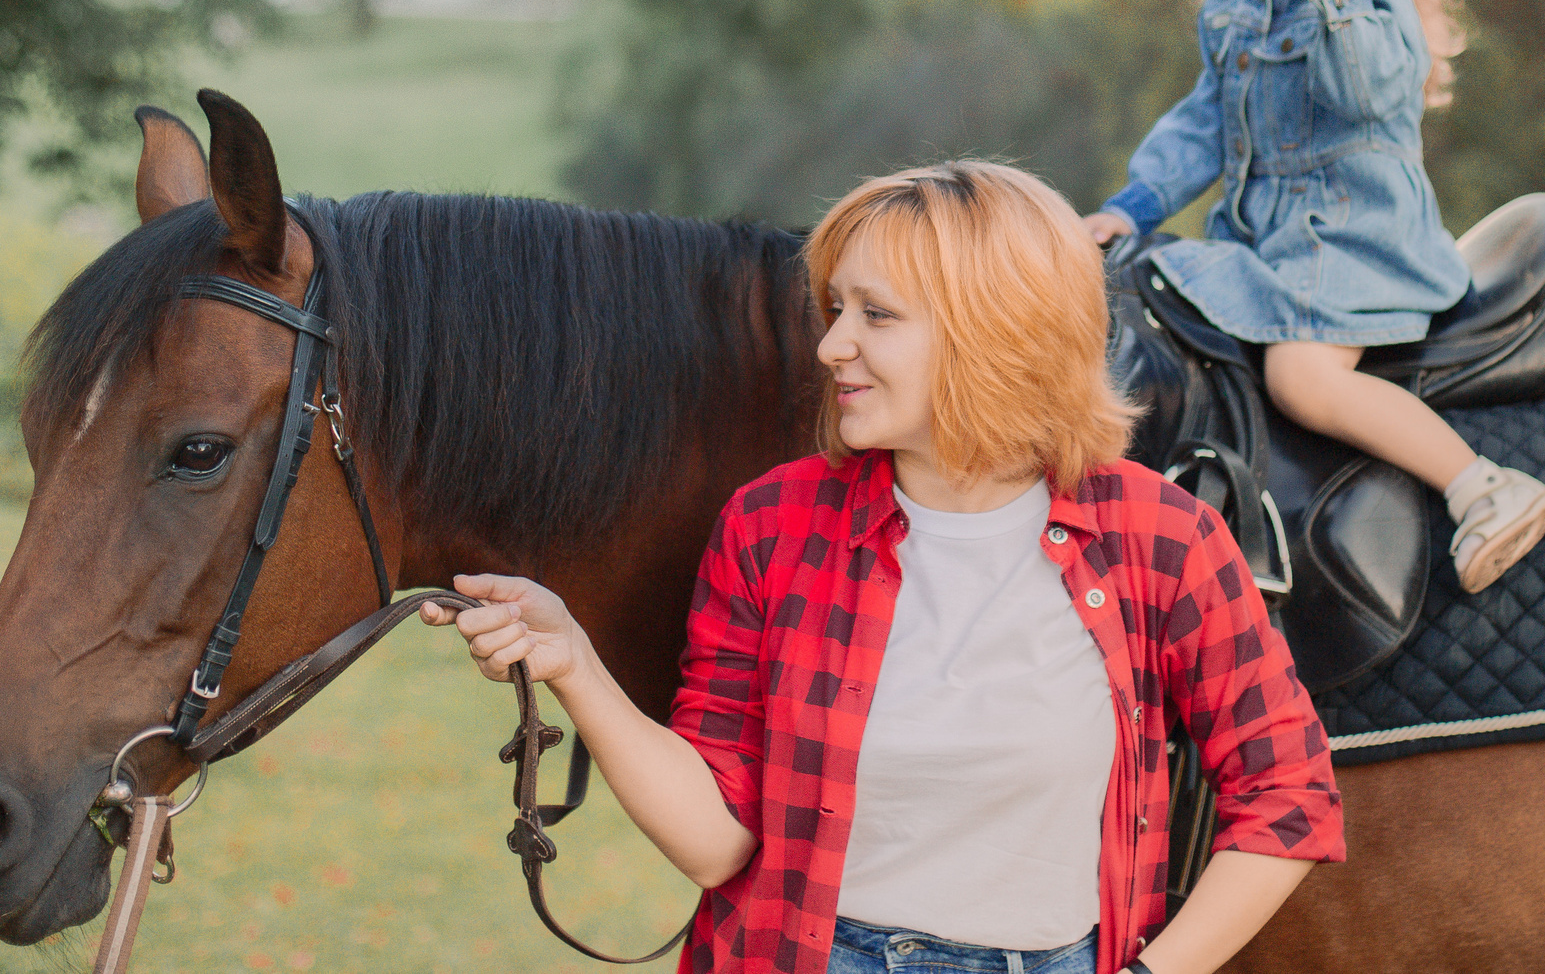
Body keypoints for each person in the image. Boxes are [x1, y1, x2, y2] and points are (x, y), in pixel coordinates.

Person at [423, 160, 1343, 974]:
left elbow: (1288, 794)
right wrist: (577, 663)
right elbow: (715, 845)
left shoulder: (1158, 538)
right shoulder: (770, 526)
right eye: (836, 309)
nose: (831, 346)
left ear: (997, 332)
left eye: (877, 315)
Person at [1080, 0, 1545, 593]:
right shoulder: (1236, 7)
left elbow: (1365, 87)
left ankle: (1481, 485)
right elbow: (1203, 122)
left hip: (1356, 246)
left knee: (1300, 376)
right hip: (1270, 249)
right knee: (1145, 306)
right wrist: (1134, 202)